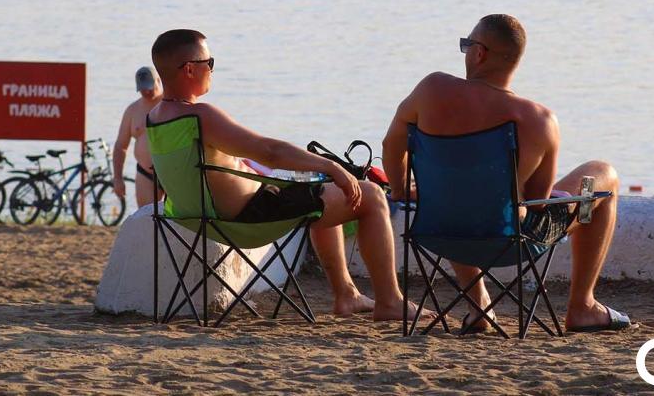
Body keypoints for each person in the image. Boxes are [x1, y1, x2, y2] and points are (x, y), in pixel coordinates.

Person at [147, 29, 427, 321]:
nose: (213, 69)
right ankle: (390, 302)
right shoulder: (200, 116)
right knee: (369, 194)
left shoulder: (154, 118)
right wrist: (330, 166)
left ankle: (347, 296)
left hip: (198, 218)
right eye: (210, 62)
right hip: (249, 218)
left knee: (319, 194)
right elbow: (269, 152)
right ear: (189, 69)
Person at [381, 14, 631, 334]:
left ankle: (478, 306)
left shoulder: (431, 89)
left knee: (459, 191)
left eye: (466, 46)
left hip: (437, 229)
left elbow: (391, 145)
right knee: (604, 174)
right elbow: (539, 202)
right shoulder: (539, 120)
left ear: (479, 53)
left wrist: (402, 190)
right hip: (510, 240)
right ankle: (582, 306)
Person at [113, 66, 163, 208]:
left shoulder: (172, 103)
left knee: (177, 222)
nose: (146, 91)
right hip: (145, 174)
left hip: (172, 172)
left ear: (158, 81)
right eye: (142, 88)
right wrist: (118, 178)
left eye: (149, 87)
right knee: (147, 220)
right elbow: (120, 146)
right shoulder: (133, 110)